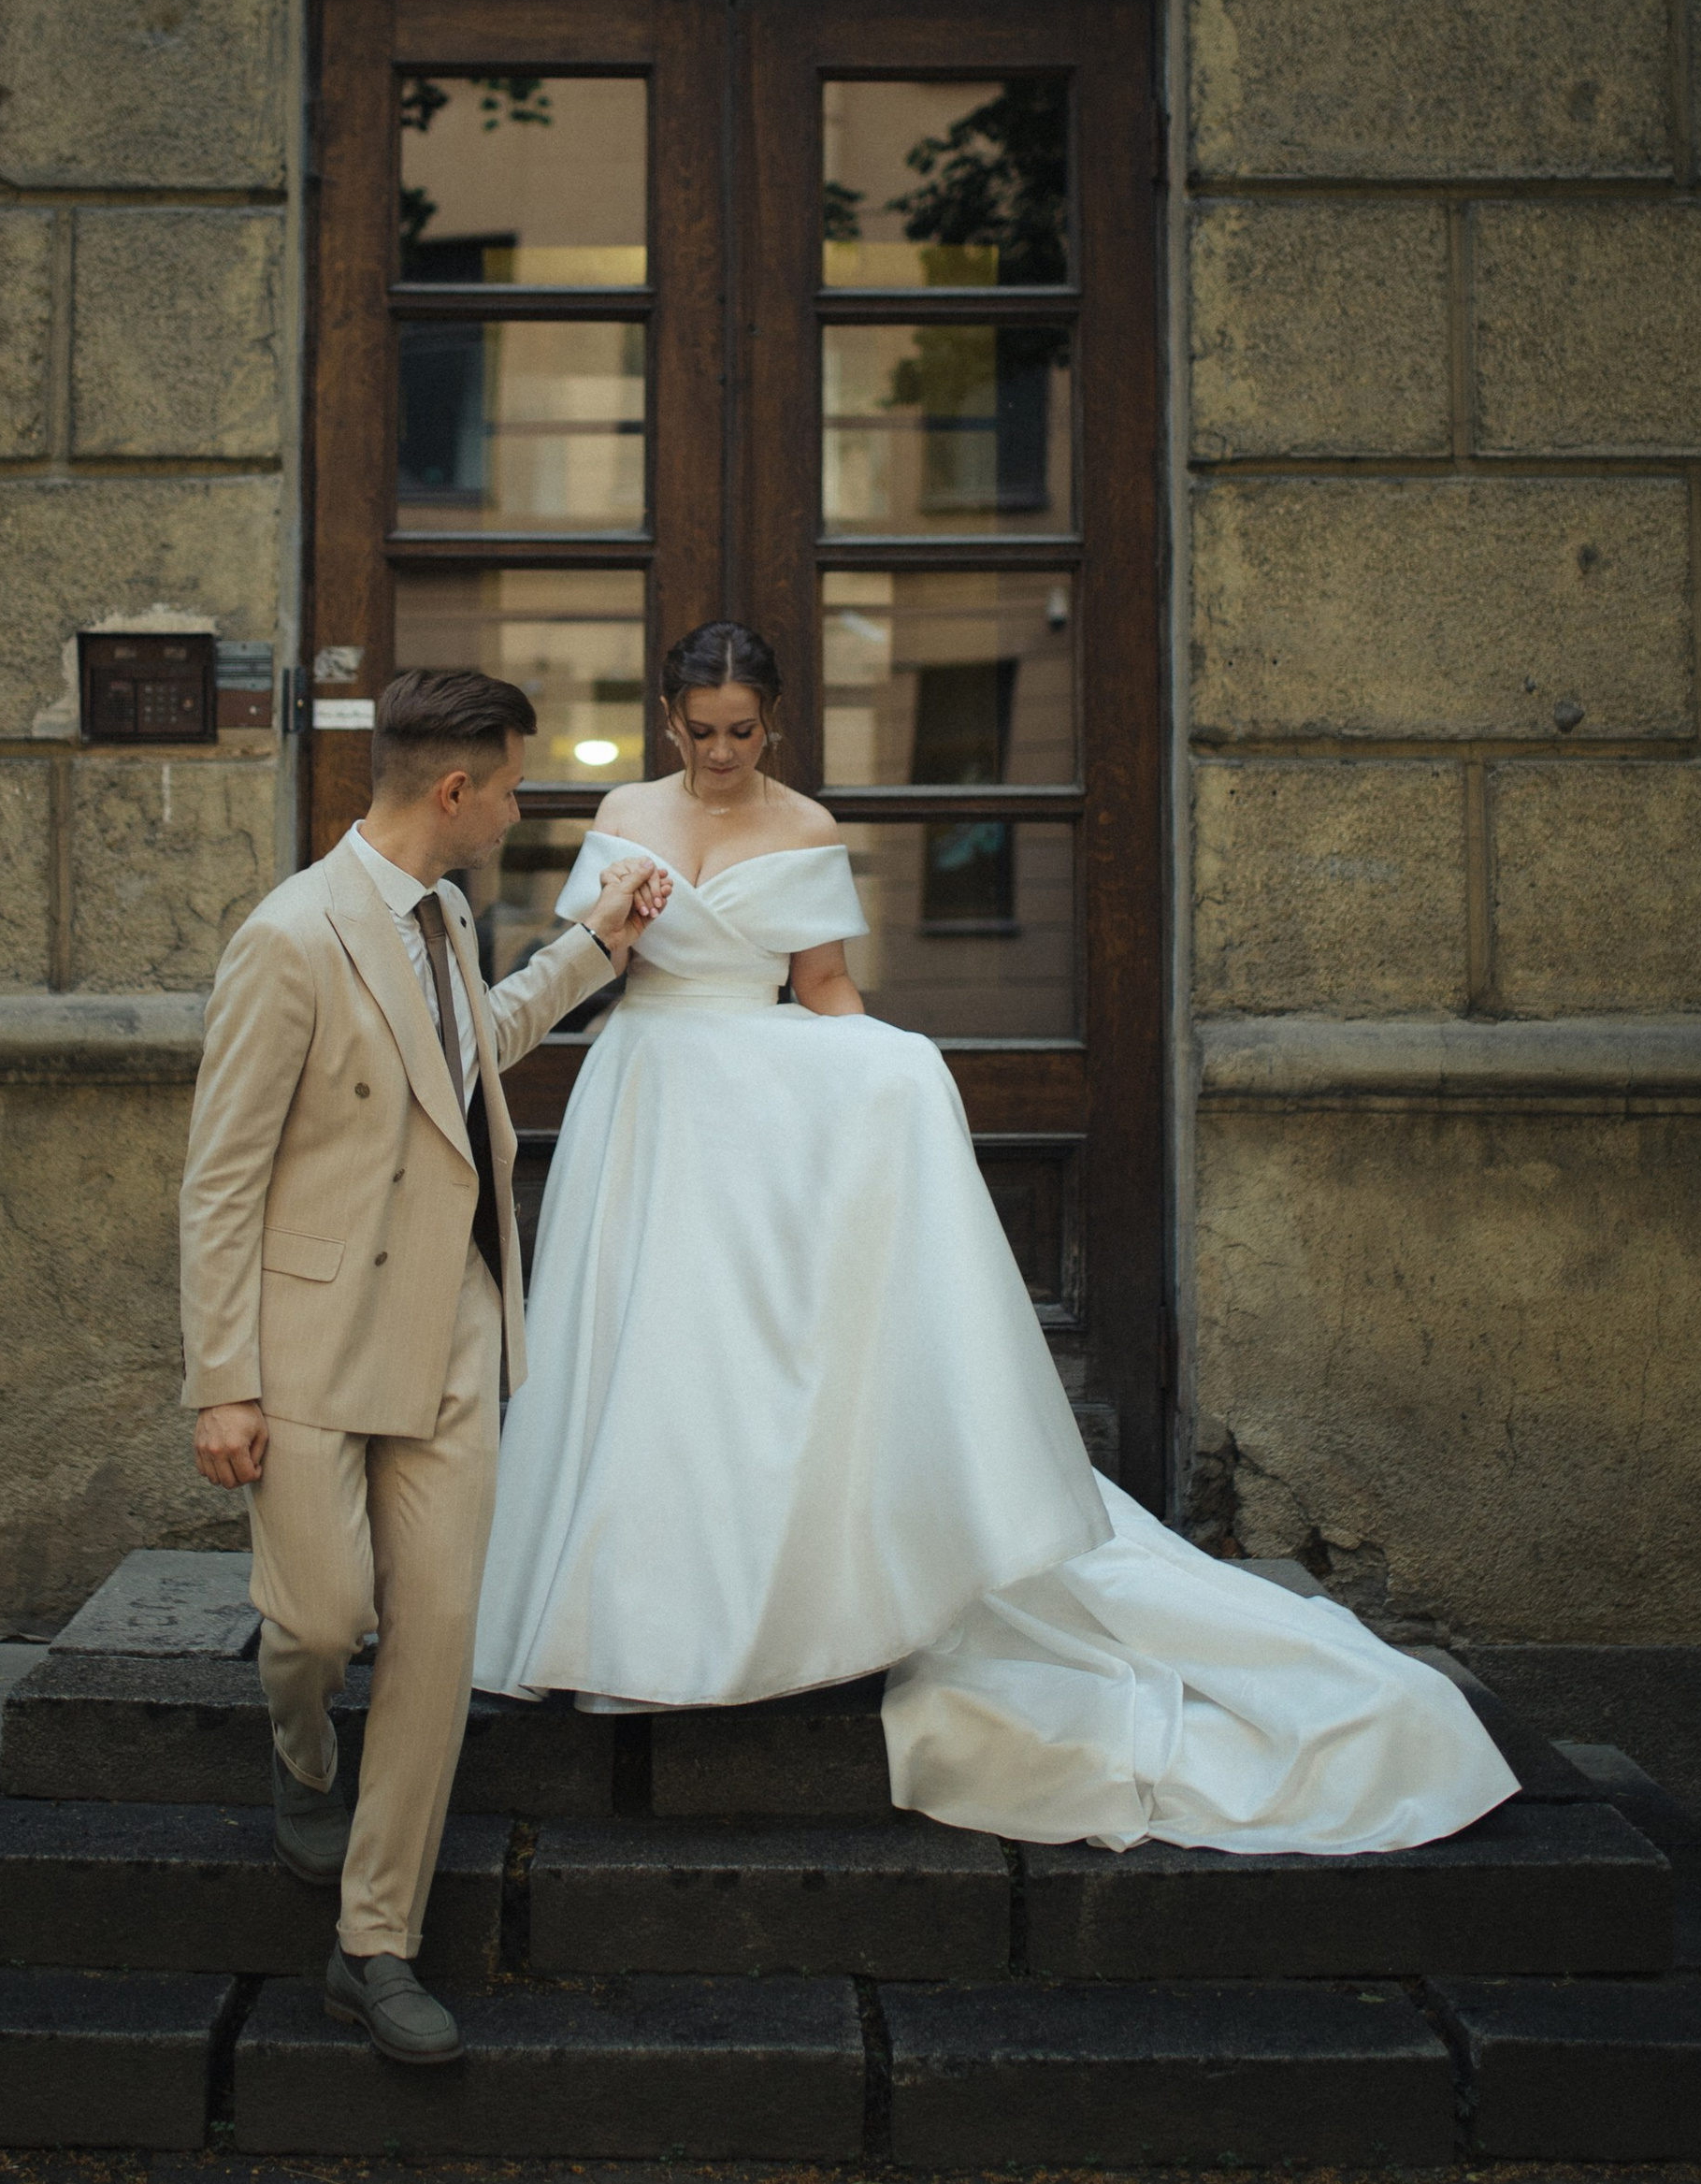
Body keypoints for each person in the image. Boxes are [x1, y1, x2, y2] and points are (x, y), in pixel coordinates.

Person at [473, 622, 1516, 1856]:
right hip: (646, 1098)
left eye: (740, 732)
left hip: (761, 1118)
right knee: (636, 1359)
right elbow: (589, 976)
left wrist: (889, 1073)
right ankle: (616, 1619)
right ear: (667, 721)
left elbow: (823, 991)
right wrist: (615, 922)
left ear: (776, 725)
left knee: (744, 1368)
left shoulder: (804, 827)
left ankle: (771, 1614)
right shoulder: (624, 805)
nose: (717, 754)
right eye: (698, 733)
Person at [181, 665, 667, 2064]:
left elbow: (475, 1057)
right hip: (311, 1347)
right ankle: (299, 1754)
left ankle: (373, 1941)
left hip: (456, 1334)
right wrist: (225, 1379)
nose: (520, 811)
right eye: (513, 786)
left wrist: (592, 946)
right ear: (454, 792)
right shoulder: (289, 939)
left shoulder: (447, 916)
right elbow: (219, 1183)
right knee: (323, 1626)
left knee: (437, 1640)